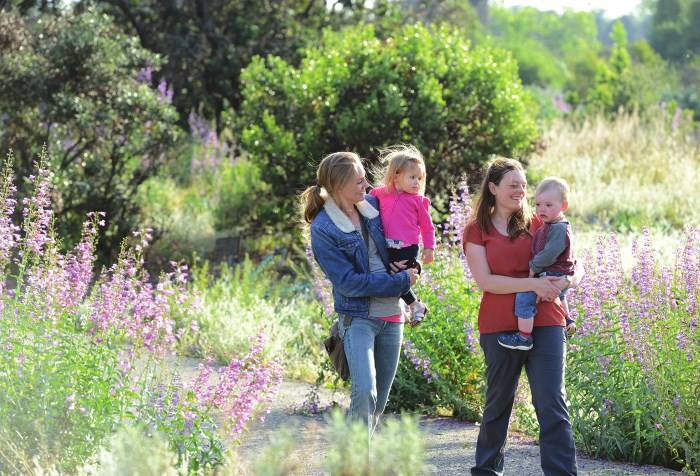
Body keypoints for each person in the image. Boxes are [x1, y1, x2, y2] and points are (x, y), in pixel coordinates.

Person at [463, 158, 581, 476]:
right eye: (513, 184)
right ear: (493, 187)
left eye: (523, 184)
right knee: (499, 401)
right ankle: (487, 470)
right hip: (498, 322)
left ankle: (561, 473)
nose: (521, 190)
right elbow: (486, 281)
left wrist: (568, 281)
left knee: (551, 401)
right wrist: (533, 283)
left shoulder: (541, 221)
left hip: (546, 319)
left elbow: (575, 263)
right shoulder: (477, 230)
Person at [302, 151, 419, 439]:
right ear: (338, 185)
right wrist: (398, 282)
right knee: (365, 392)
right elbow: (348, 283)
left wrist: (411, 285)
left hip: (393, 316)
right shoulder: (324, 228)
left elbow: (396, 247)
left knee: (378, 405)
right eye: (358, 181)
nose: (366, 185)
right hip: (358, 319)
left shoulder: (374, 206)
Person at [498, 177, 577, 351]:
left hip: (554, 273)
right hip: (558, 274)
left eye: (549, 205)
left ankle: (524, 337)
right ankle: (568, 320)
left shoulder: (559, 228)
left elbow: (550, 254)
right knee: (560, 296)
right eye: (539, 204)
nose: (542, 209)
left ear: (563, 206)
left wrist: (534, 267)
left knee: (525, 298)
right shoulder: (550, 225)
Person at [369, 144, 435, 323]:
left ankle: (412, 304)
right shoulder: (378, 194)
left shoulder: (419, 201)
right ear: (396, 175)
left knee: (399, 275)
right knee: (390, 275)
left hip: (407, 247)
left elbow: (428, 228)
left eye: (420, 178)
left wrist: (429, 248)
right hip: (385, 245)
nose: (417, 182)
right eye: (412, 177)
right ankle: (413, 305)